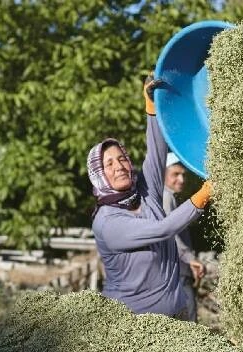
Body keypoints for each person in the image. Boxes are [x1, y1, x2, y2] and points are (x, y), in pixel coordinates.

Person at [89, 77, 212, 319]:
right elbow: (161, 229)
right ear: (99, 175)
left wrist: (152, 107)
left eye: (121, 158)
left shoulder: (146, 194)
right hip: (134, 327)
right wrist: (203, 195)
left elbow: (156, 151)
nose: (119, 167)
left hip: (177, 317)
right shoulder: (107, 222)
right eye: (108, 164)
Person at [162, 153, 206, 322]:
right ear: (163, 174)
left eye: (183, 175)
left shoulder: (170, 197)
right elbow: (170, 233)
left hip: (178, 267)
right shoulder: (166, 198)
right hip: (178, 269)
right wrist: (190, 259)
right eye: (175, 174)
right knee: (188, 321)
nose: (181, 180)